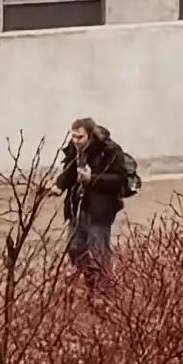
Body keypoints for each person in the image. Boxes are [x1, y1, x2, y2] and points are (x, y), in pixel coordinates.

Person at [55, 116, 137, 284]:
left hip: (100, 209)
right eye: (73, 136)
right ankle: (91, 282)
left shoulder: (109, 150)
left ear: (90, 135)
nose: (76, 141)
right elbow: (69, 172)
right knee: (75, 249)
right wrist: (59, 186)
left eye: (80, 137)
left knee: (99, 253)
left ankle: (104, 289)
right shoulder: (74, 149)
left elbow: (119, 179)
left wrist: (92, 179)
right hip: (77, 206)